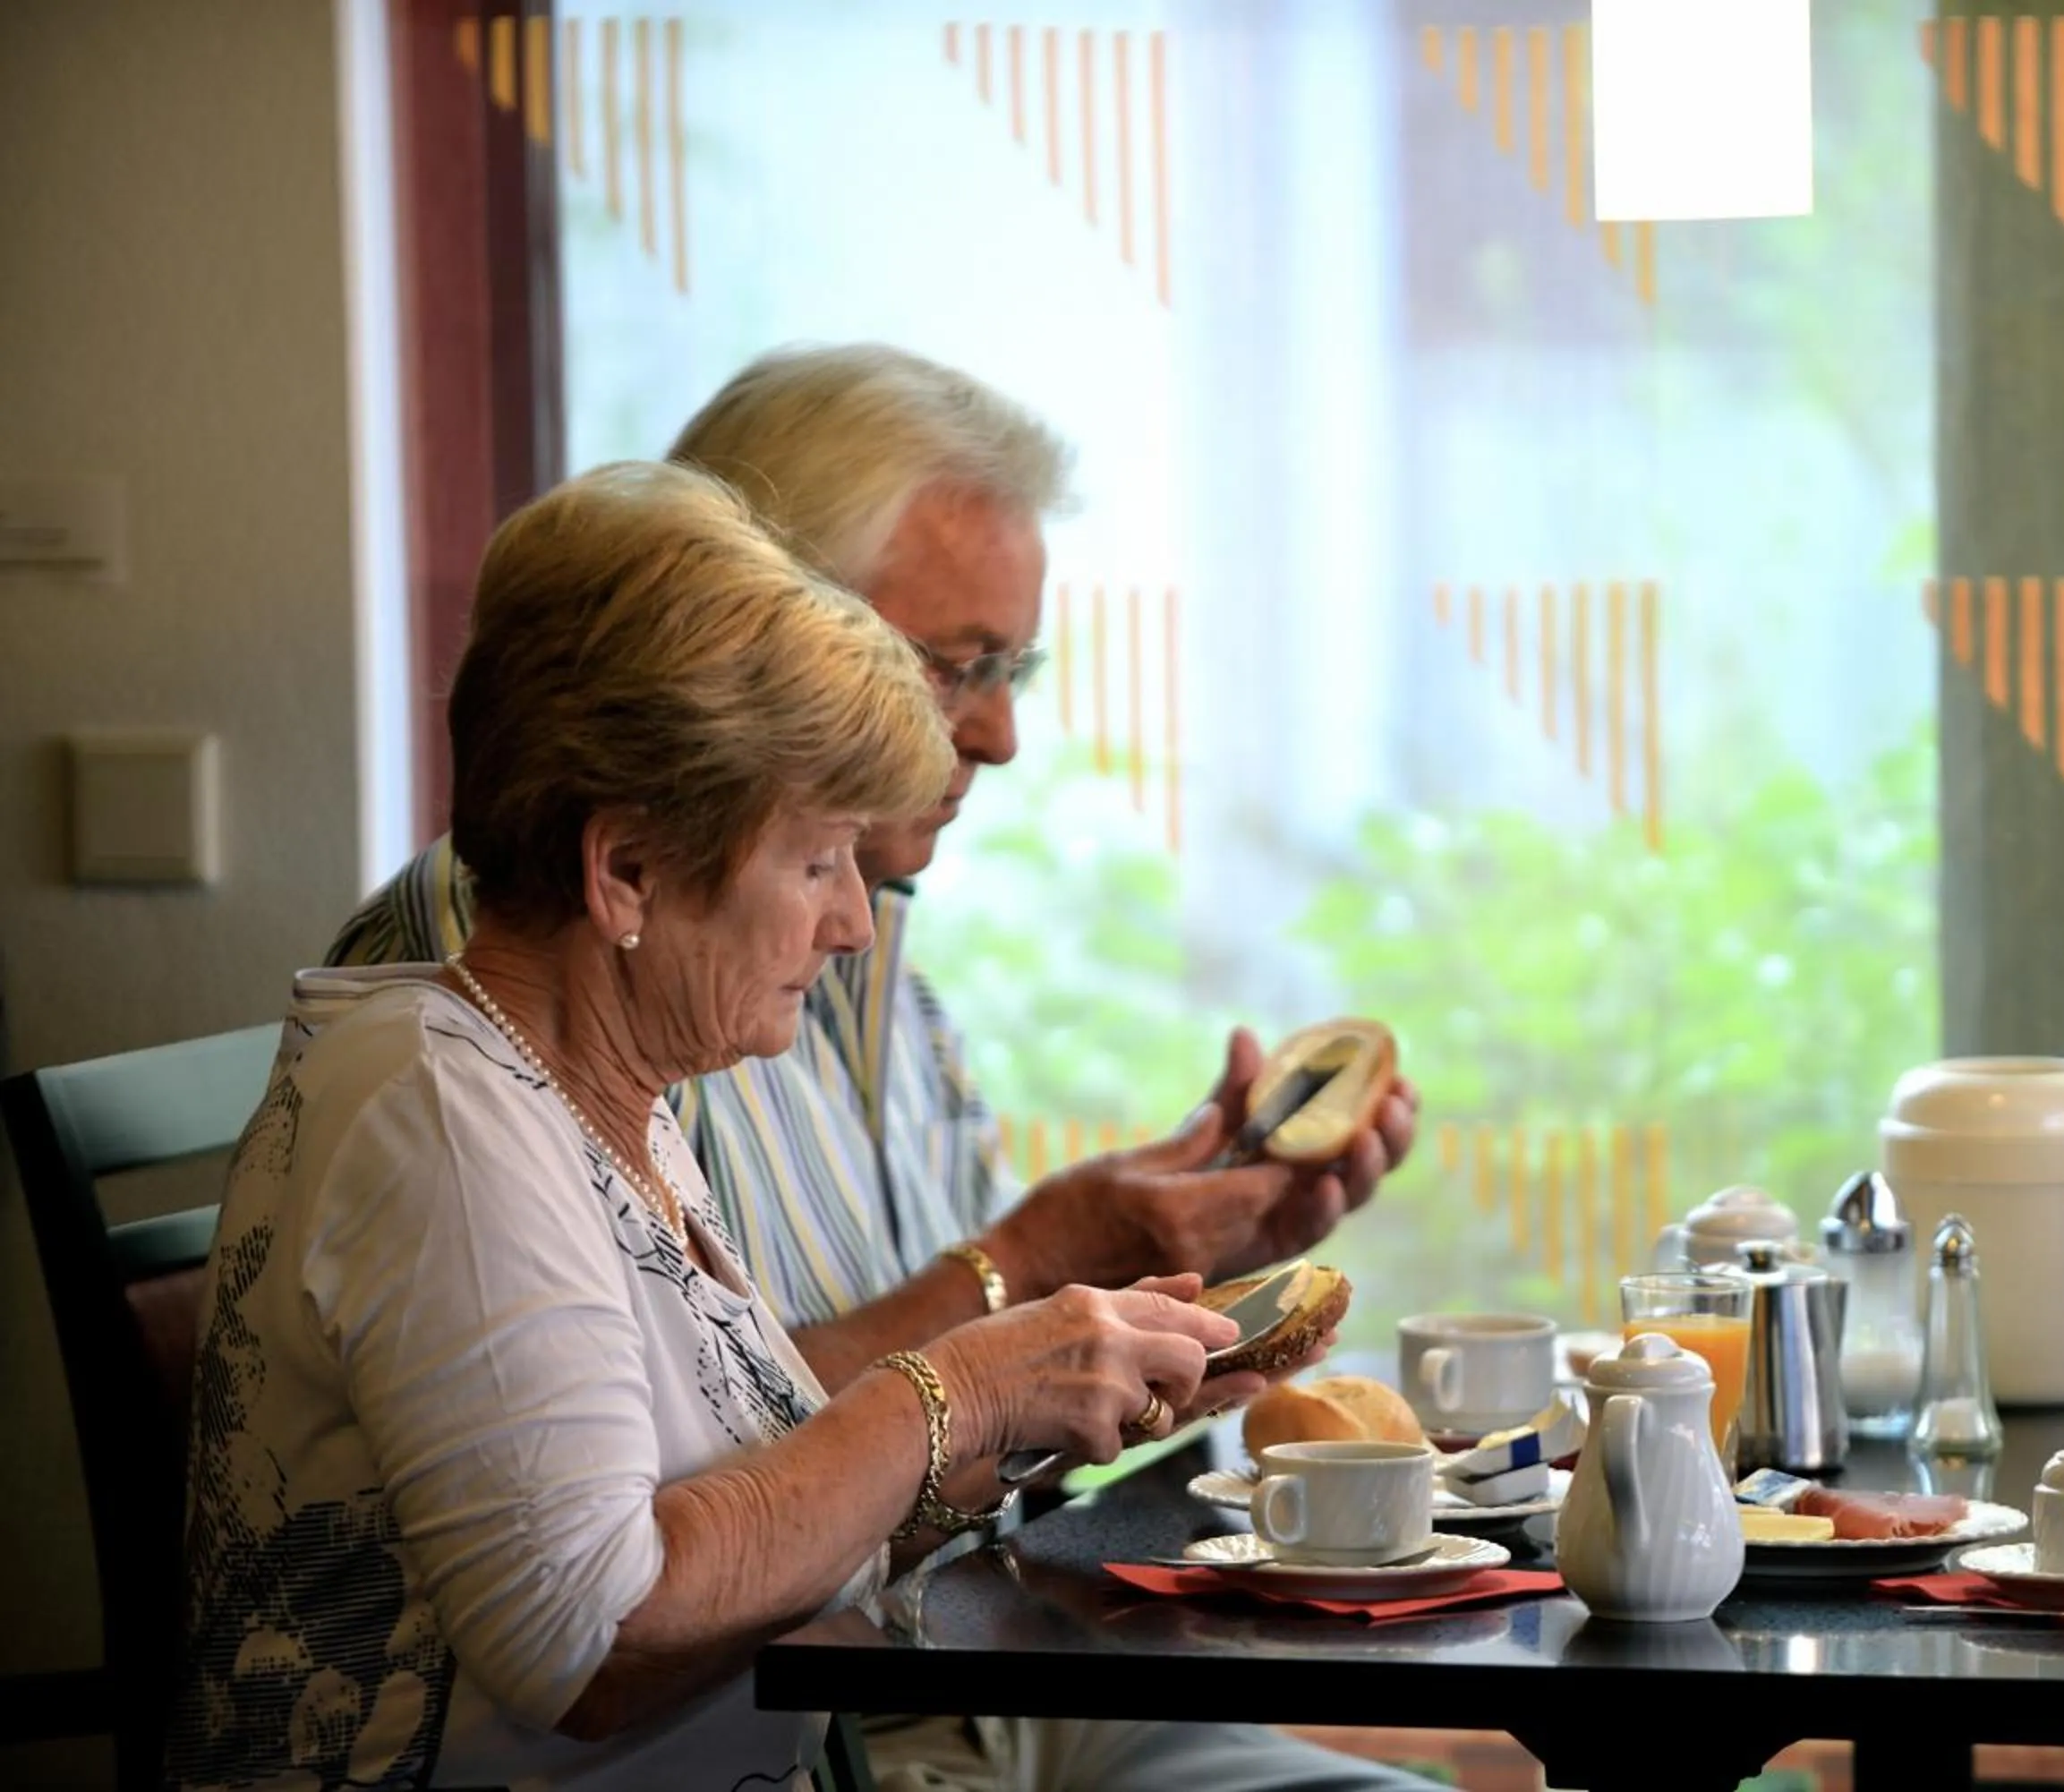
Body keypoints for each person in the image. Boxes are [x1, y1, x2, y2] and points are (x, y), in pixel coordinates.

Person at [324, 346, 1434, 1792]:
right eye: (959, 664)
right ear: (759, 630)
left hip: (945, 1663)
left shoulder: (835, 957)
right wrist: (1019, 1295)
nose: (998, 731)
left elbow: (829, 1460)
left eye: (1013, 667)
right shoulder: (531, 997)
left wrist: (1142, 1314)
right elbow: (624, 1576)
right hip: (839, 1717)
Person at [169, 461, 1262, 1791]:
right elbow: (594, 1636)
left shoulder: (599, 1097)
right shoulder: (440, 1113)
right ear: (624, 867)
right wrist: (962, 1383)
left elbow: (754, 1546)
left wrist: (1041, 1413)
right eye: (815, 862)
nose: (854, 922)